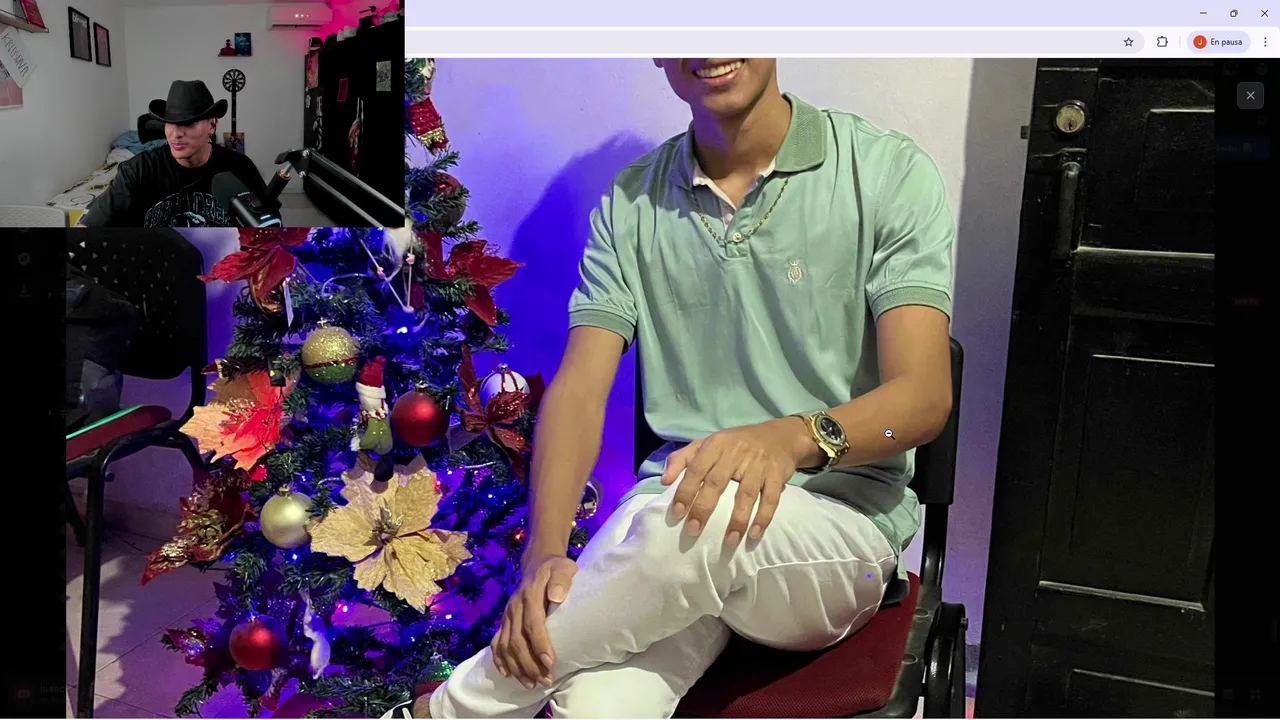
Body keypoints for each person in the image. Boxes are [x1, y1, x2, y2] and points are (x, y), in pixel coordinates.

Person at [408, 58, 955, 719]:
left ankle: (440, 712)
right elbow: (579, 389)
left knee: (703, 517)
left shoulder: (885, 172)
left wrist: (788, 440)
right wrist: (543, 554)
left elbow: (924, 398)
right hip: (669, 521)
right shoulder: (631, 201)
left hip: (842, 533)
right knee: (596, 706)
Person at [77, 80, 270, 228]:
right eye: (170, 124)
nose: (176, 134)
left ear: (212, 125)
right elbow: (88, 226)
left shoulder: (240, 169)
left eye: (188, 123)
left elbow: (270, 228)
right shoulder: (138, 170)